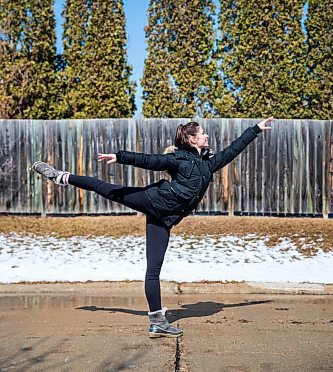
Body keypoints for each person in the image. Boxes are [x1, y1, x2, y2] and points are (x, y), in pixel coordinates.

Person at [32, 116, 274, 338]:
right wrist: (121, 156)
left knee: (153, 269)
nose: (206, 136)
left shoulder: (207, 164)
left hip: (164, 219)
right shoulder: (179, 159)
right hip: (153, 200)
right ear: (191, 139)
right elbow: (151, 161)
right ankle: (60, 177)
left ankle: (157, 321)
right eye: (202, 133)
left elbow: (233, 150)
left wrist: (256, 129)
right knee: (105, 187)